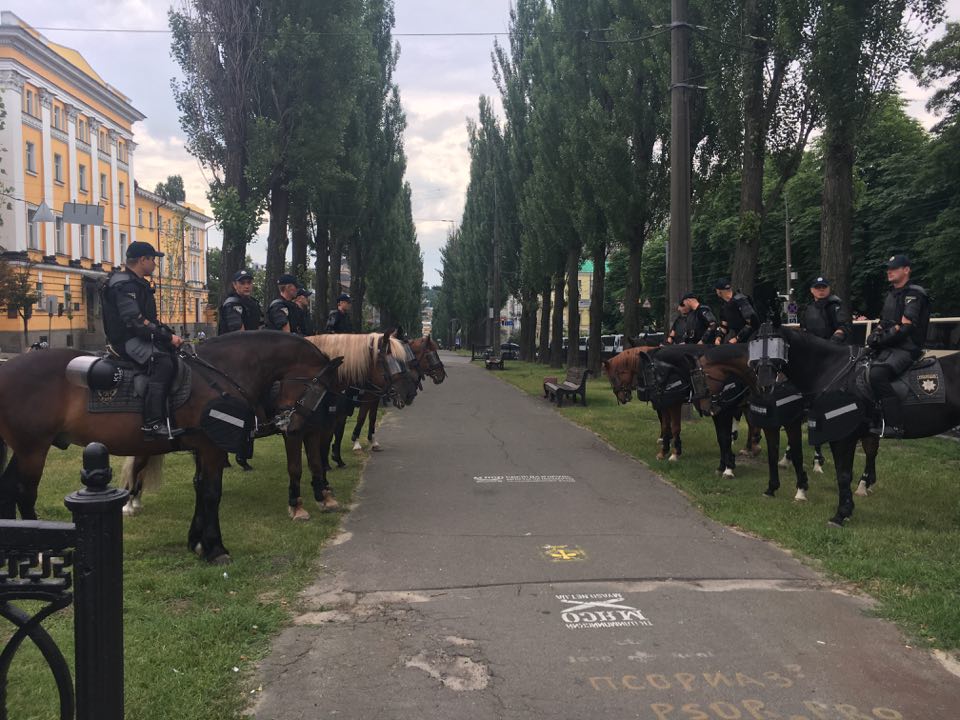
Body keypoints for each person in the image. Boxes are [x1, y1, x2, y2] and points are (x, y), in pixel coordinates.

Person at [101, 241, 183, 439]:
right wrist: (167, 337)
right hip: (127, 341)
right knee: (162, 362)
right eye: (153, 259)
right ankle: (152, 424)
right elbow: (136, 322)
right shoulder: (124, 285)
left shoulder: (136, 283)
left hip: (138, 336)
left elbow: (149, 320)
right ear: (142, 260)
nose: (155, 263)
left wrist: (169, 334)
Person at [867, 255, 930, 438]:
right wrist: (874, 335)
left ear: (906, 270)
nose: (889, 271)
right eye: (888, 268)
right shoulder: (891, 294)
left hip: (907, 348)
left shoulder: (914, 294)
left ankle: (895, 425)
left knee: (877, 375)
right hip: (890, 347)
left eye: (894, 268)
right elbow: (884, 323)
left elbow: (906, 328)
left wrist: (881, 339)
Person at [800, 276, 851, 344]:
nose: (821, 290)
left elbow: (844, 326)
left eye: (824, 287)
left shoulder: (834, 306)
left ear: (829, 289)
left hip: (832, 346)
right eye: (817, 287)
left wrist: (836, 339)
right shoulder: (806, 309)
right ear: (812, 290)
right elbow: (803, 330)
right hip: (812, 346)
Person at [713, 278, 760, 344]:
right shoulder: (724, 307)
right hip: (739, 339)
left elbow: (752, 322)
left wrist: (737, 338)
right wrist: (718, 337)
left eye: (716, 290)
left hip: (753, 339)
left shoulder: (741, 300)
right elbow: (724, 326)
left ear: (719, 291)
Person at [218, 269, 263, 335]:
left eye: (249, 283)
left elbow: (261, 327)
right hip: (234, 341)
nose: (246, 286)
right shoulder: (232, 304)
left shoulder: (254, 303)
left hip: (252, 340)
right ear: (234, 285)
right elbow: (239, 333)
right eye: (242, 283)